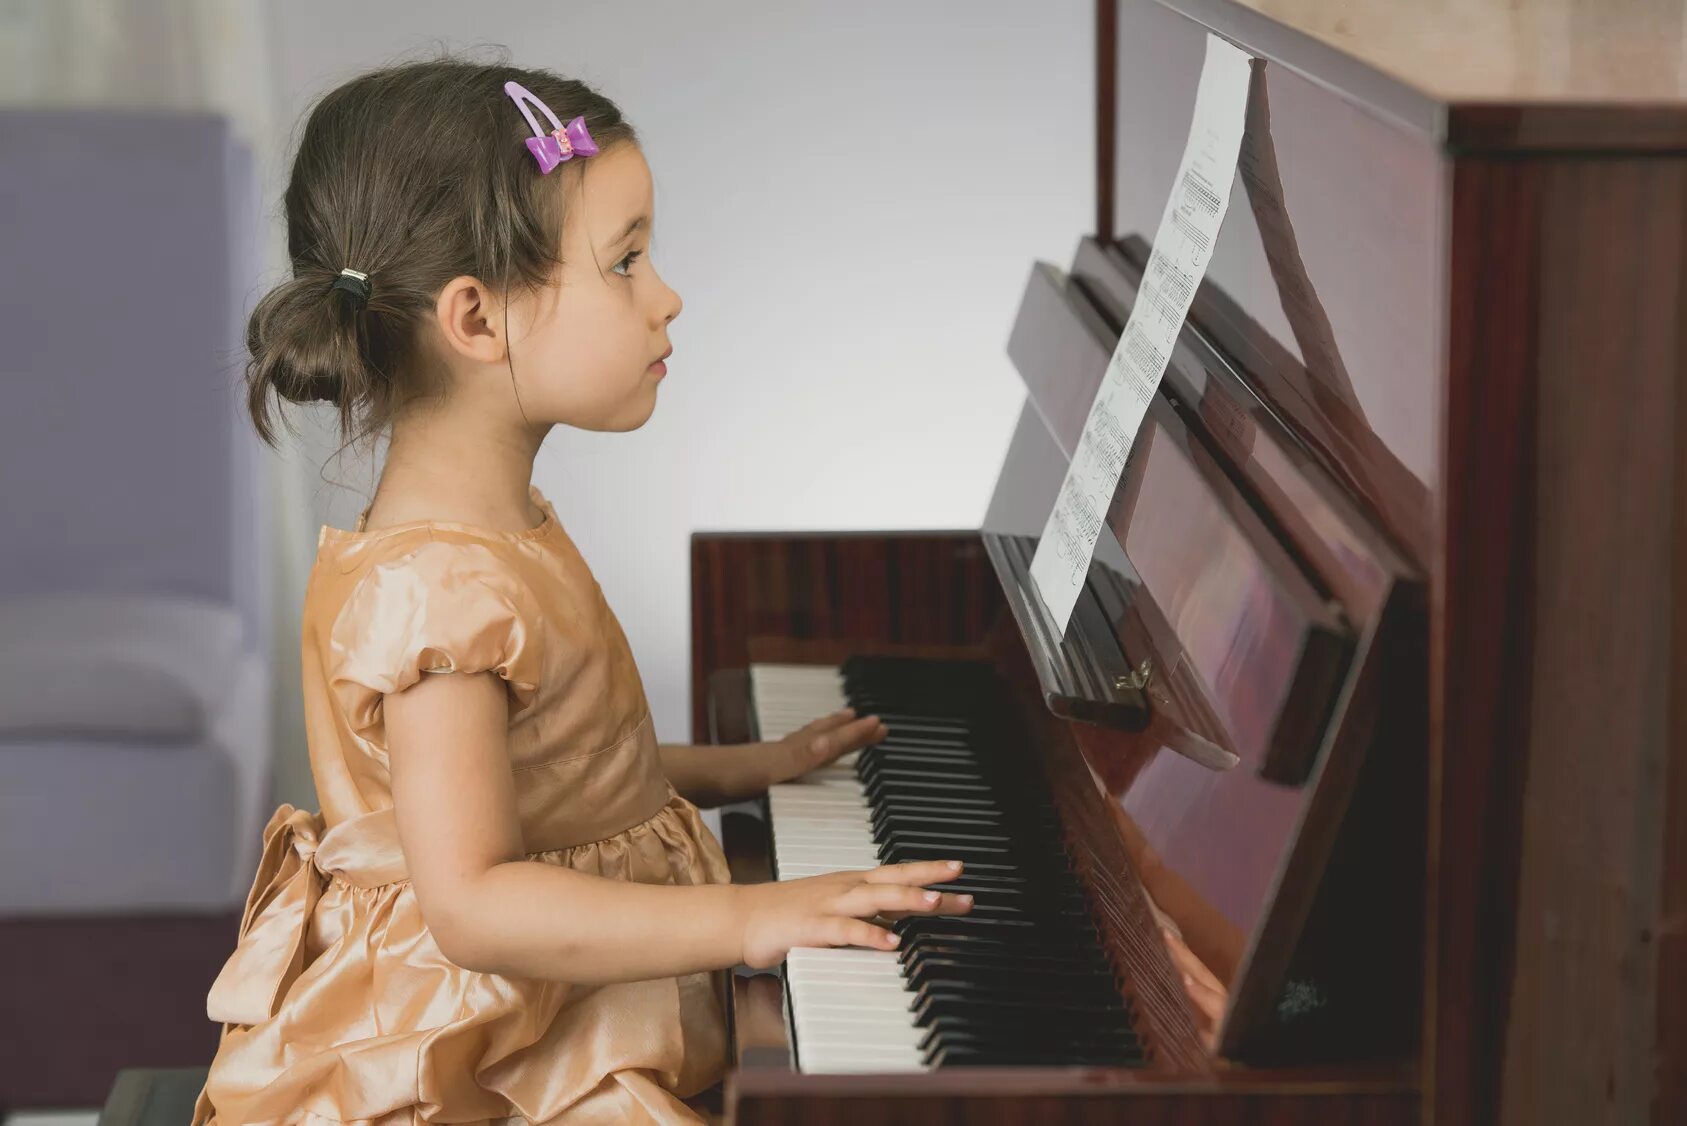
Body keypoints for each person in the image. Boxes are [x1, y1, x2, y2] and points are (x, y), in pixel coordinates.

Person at [191, 59, 972, 1125]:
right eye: (627, 261)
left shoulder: (493, 531)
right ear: (477, 320)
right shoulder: (437, 595)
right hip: (487, 1057)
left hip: (546, 996)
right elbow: (472, 905)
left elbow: (558, 784)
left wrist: (745, 770)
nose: (667, 295)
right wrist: (753, 918)